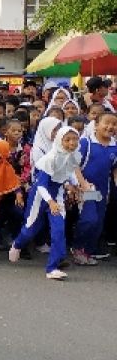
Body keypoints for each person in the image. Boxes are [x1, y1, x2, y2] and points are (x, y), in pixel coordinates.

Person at [10, 126, 87, 280]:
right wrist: (50, 201)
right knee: (31, 229)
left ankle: (52, 267)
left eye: (75, 139)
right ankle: (17, 244)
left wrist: (75, 185)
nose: (72, 143)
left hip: (57, 194)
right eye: (68, 140)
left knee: (58, 229)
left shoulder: (74, 155)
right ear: (59, 140)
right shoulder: (50, 158)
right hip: (40, 196)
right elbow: (41, 185)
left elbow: (70, 172)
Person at [70, 112, 117, 264]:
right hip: (88, 189)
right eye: (106, 123)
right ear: (96, 125)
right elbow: (74, 165)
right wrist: (82, 184)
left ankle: (88, 251)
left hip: (104, 190)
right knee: (89, 219)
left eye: (114, 124)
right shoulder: (86, 143)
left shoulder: (114, 146)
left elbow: (114, 169)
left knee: (98, 222)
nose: (110, 127)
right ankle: (77, 248)